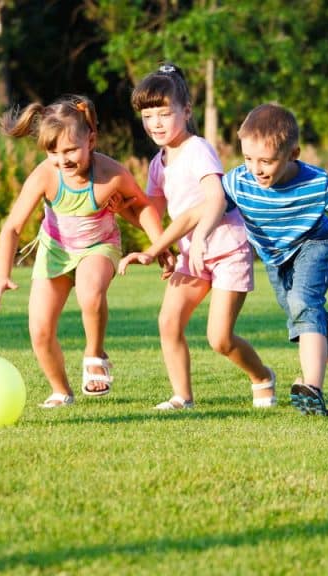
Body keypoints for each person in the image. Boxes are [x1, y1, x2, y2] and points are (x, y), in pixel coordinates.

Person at [127, 103, 328, 416]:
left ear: (293, 154)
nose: (256, 169)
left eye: (266, 161)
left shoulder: (316, 184)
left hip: (314, 245)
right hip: (276, 259)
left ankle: (312, 389)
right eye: (248, 158)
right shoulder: (240, 181)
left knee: (304, 305)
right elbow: (196, 213)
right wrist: (156, 249)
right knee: (305, 319)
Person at [0, 94, 168, 408]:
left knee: (90, 293)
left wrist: (160, 246)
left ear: (91, 140)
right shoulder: (46, 175)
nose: (63, 160)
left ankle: (94, 354)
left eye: (71, 150)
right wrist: (1, 275)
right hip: (55, 252)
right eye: (53, 152)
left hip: (99, 247)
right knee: (40, 330)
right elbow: (12, 228)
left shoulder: (111, 174)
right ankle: (61, 391)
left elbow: (142, 207)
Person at [118, 63, 275, 411]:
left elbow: (215, 198)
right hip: (192, 255)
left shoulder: (198, 149)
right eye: (148, 116)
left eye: (164, 113)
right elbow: (152, 214)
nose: (156, 123)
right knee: (168, 321)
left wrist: (201, 235)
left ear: (186, 111)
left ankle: (262, 377)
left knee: (219, 339)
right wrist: (122, 212)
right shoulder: (158, 163)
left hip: (227, 249)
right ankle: (182, 397)